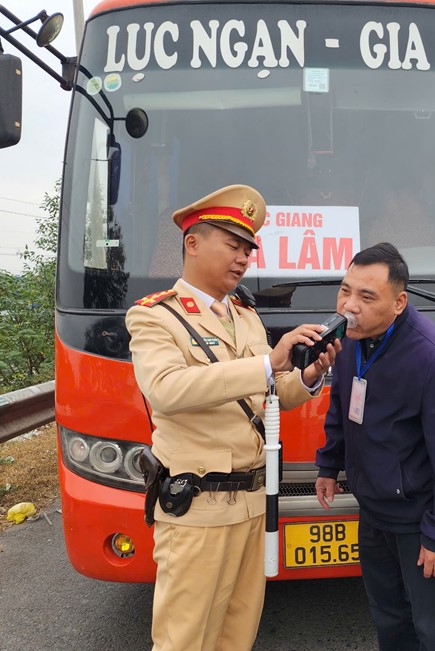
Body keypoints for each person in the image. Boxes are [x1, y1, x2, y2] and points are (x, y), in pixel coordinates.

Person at [126, 184, 340, 651]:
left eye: (248, 249)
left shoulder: (245, 315)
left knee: (237, 635)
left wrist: (306, 377)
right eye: (232, 245)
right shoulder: (154, 318)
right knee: (185, 639)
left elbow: (268, 396)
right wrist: (267, 363)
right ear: (193, 242)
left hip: (251, 502)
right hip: (198, 508)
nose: (243, 258)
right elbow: (166, 390)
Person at [314, 242, 435, 651]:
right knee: (388, 618)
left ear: (399, 302)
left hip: (417, 520)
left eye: (367, 297)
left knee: (433, 628)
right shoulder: (352, 339)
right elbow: (340, 407)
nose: (350, 305)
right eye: (345, 290)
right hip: (373, 511)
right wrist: (329, 466)